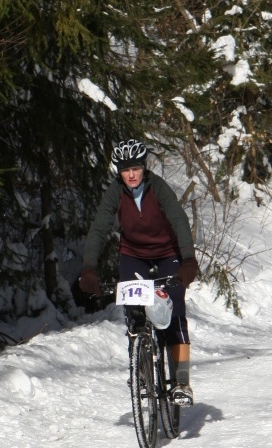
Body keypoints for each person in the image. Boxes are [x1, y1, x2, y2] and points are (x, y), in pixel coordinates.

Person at [80, 139, 198, 406]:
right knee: (134, 308)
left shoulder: (158, 187)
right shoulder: (115, 192)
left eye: (135, 168)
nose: (131, 174)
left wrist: (188, 259)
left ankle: (181, 381)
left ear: (144, 167)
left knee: (174, 309)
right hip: (133, 255)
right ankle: (141, 363)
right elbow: (99, 228)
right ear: (118, 172)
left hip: (168, 253)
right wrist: (89, 267)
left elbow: (179, 219)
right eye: (124, 169)